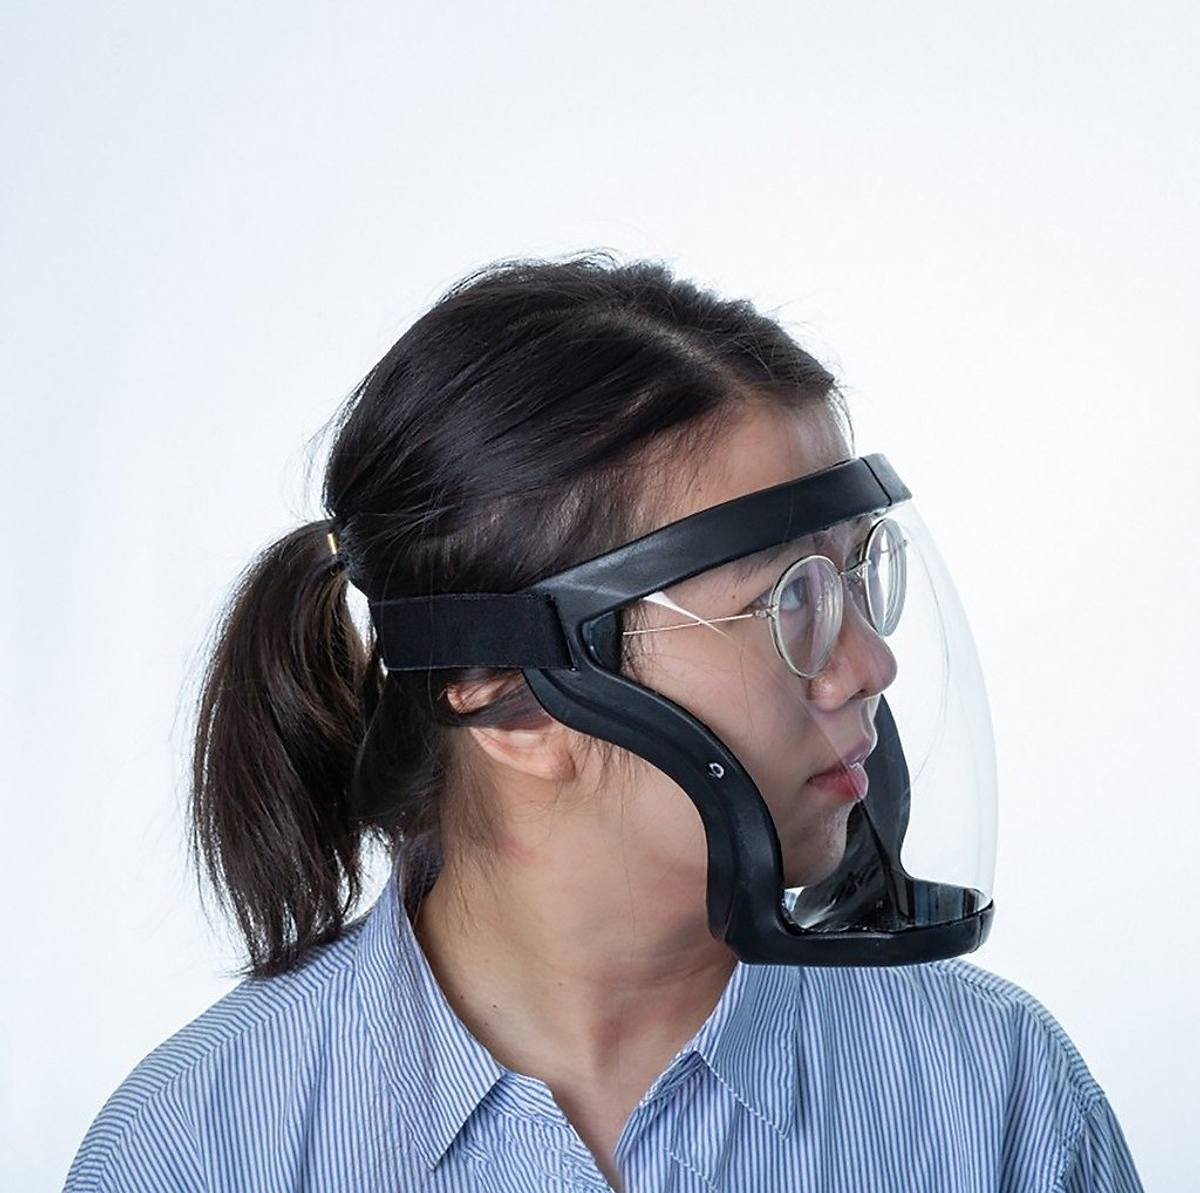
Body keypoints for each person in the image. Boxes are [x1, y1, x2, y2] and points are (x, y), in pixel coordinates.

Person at [66, 257, 1142, 1192]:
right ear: (504, 691)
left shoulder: (1000, 1100)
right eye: (792, 600)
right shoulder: (200, 1150)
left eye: (861, 573)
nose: (871, 664)